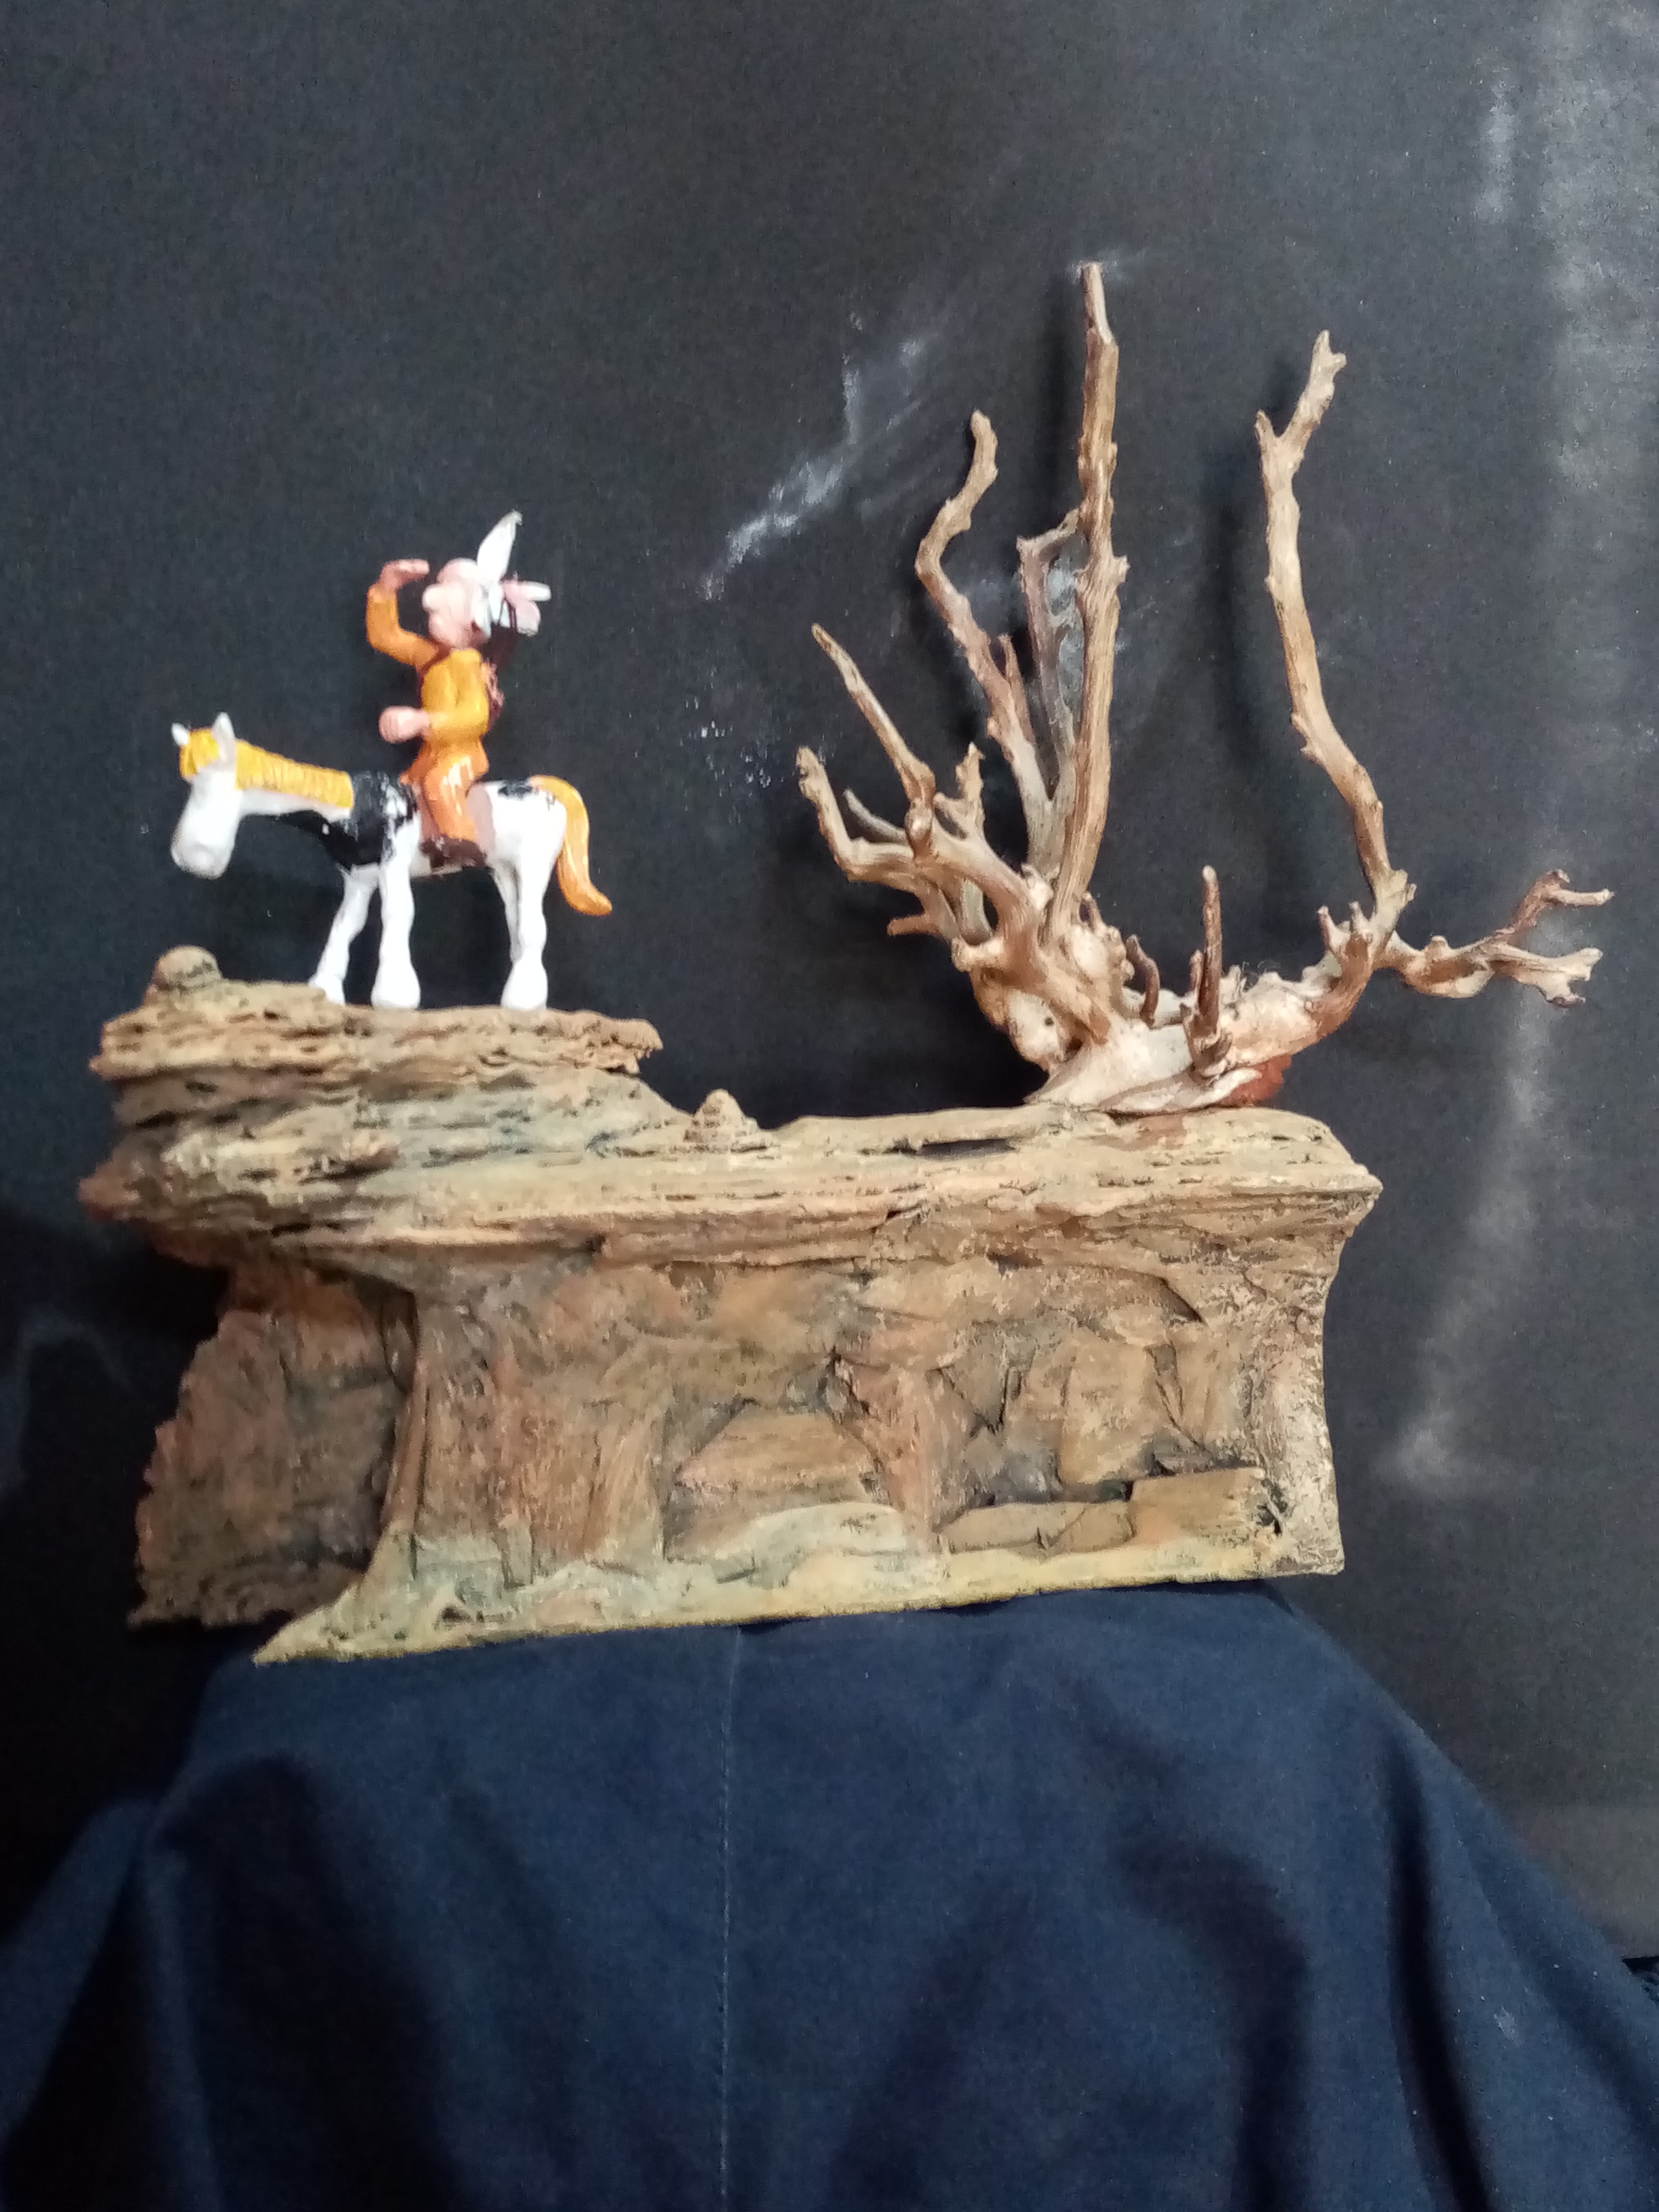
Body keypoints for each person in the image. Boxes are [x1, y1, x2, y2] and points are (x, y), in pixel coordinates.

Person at [367, 512, 550, 866]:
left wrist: (422, 722)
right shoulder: (429, 657)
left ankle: (462, 844)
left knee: (440, 785)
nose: (433, 609)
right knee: (403, 793)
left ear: (475, 624)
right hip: (431, 754)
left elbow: (475, 716)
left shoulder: (470, 666)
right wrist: (385, 589)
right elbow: (385, 636)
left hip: (461, 755)